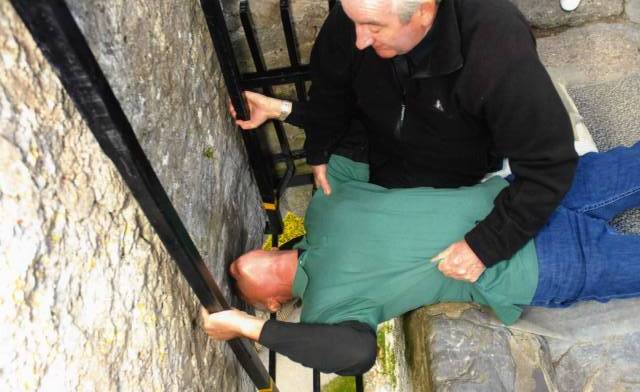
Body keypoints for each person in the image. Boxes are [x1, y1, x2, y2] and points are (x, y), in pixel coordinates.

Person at [201, 141, 640, 375]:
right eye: (241, 286)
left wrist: (292, 119)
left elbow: (356, 131)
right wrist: (249, 328)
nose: (238, 265)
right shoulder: (326, 310)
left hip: (520, 193)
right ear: (273, 305)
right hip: (535, 262)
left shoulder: (324, 205)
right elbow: (356, 352)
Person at [231, 0, 578, 285]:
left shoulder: (495, 48)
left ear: (424, 11)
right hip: (387, 161)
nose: (359, 40)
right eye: (354, 22)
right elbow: (332, 89)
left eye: (374, 28)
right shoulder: (354, 20)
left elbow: (550, 164)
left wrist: (484, 248)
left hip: (458, 175)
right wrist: (319, 146)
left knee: (571, 213)